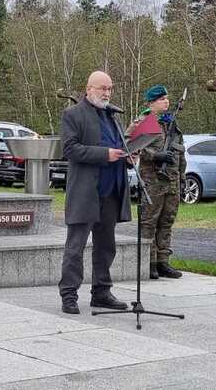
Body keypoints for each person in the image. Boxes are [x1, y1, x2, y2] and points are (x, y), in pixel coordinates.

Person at [59, 71, 132, 315]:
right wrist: (105, 155)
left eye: (110, 88)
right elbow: (70, 149)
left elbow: (118, 146)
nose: (107, 93)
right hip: (85, 192)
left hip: (111, 191)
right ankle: (69, 295)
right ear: (88, 88)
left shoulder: (113, 116)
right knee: (75, 246)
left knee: (106, 245)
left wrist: (128, 156)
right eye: (102, 88)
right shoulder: (73, 114)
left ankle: (101, 292)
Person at [127, 85, 186, 280]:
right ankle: (149, 262)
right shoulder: (143, 122)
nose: (166, 102)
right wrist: (155, 155)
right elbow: (130, 148)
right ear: (151, 103)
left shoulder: (171, 123)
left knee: (167, 221)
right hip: (152, 180)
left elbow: (180, 150)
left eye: (167, 98)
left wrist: (182, 177)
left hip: (172, 180)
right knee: (149, 222)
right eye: (161, 99)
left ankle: (163, 261)